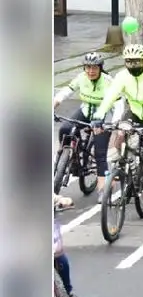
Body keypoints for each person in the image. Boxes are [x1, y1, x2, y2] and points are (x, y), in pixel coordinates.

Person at [91, 45, 143, 224]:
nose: (133, 65)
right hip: (134, 113)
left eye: (137, 62)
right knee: (119, 133)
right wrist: (99, 116)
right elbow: (110, 96)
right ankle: (124, 168)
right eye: (129, 62)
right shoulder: (122, 76)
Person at [53, 52, 111, 195]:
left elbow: (118, 103)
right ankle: (69, 156)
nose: (91, 71)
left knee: (100, 153)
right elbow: (67, 90)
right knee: (65, 129)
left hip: (102, 117)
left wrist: (112, 123)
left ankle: (102, 190)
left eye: (94, 68)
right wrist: (55, 102)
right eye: (88, 67)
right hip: (85, 112)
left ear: (100, 68)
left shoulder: (108, 81)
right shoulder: (81, 77)